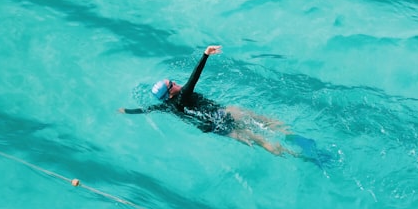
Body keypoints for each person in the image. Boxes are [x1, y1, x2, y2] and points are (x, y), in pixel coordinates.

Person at [119, 45, 290, 155]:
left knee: (256, 140)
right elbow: (194, 77)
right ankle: (284, 130)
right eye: (172, 83)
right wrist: (205, 54)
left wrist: (126, 111)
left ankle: (286, 152)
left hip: (211, 127)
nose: (176, 82)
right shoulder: (183, 94)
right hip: (219, 114)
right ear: (170, 92)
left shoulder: (167, 106)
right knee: (251, 117)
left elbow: (147, 109)